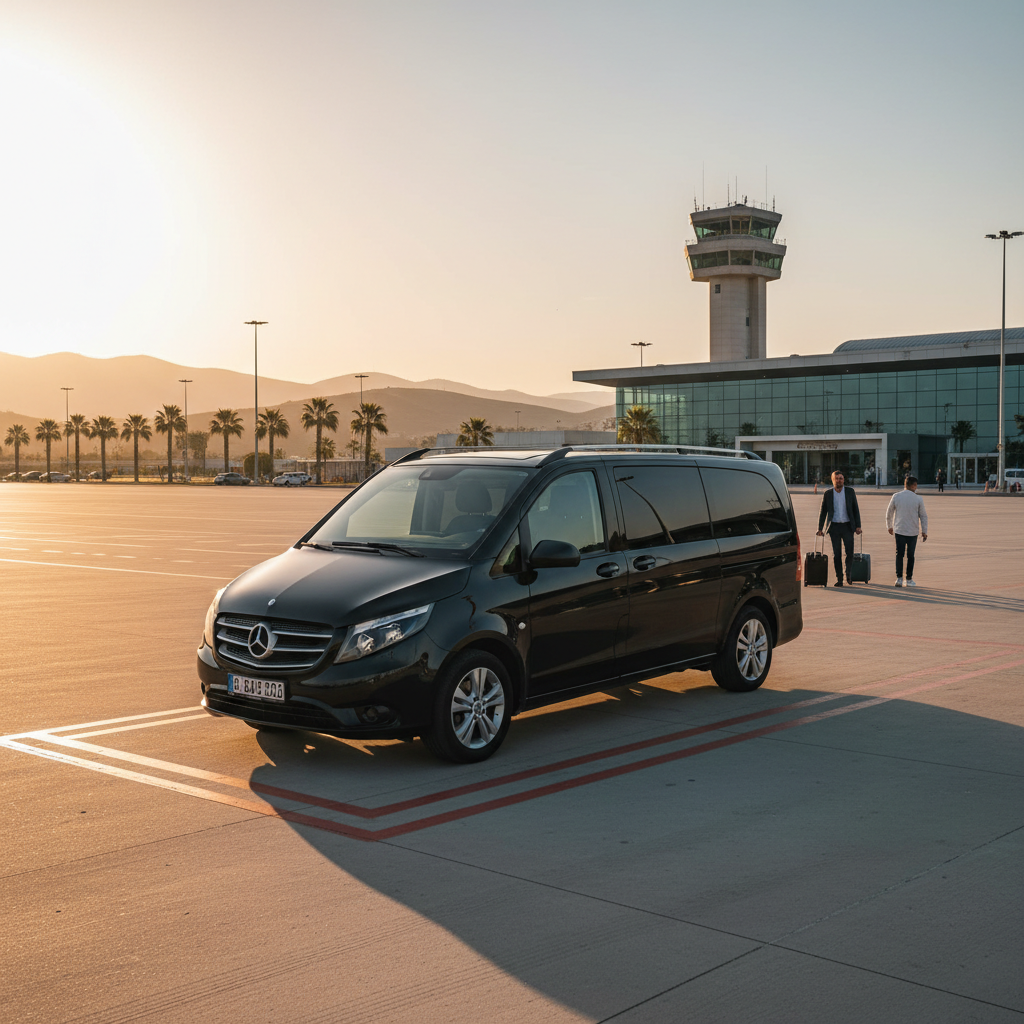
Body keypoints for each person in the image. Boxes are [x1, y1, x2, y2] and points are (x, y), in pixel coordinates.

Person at [816, 470, 862, 587]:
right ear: (832, 480)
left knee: (849, 553)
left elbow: (855, 509)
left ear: (844, 479)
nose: (839, 480)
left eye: (840, 478)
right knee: (837, 554)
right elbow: (823, 512)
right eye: (836, 478)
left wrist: (858, 526)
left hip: (847, 526)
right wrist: (820, 528)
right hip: (834, 527)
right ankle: (839, 579)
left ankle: (849, 575)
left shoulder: (850, 492)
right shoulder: (828, 494)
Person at [886, 475, 928, 587]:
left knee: (899, 554)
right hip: (913, 531)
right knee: (911, 555)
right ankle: (909, 579)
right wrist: (924, 531)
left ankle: (899, 578)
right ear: (914, 485)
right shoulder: (918, 499)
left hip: (899, 530)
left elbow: (889, 512)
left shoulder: (896, 496)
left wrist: (889, 526)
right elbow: (923, 516)